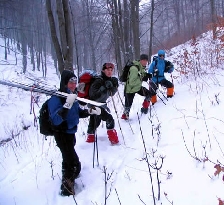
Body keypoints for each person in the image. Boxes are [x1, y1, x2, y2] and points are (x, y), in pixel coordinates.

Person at [48, 69, 101, 196]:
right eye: (70, 82)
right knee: (73, 163)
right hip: (61, 133)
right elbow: (55, 119)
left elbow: (77, 113)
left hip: (70, 132)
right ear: (64, 83)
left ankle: (67, 174)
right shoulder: (56, 98)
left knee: (68, 159)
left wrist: (89, 112)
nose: (73, 85)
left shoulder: (73, 96)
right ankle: (66, 190)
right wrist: (67, 105)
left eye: (75, 82)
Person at [86, 63, 119, 144]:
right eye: (108, 70)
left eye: (111, 70)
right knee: (109, 119)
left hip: (101, 104)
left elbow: (111, 94)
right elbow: (93, 95)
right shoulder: (98, 80)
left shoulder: (108, 80)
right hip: (93, 104)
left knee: (95, 121)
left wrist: (115, 86)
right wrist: (104, 87)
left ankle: (90, 138)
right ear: (103, 70)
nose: (109, 72)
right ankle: (113, 139)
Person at [121, 54, 156, 120]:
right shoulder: (134, 69)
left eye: (146, 60)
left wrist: (147, 75)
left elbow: (141, 74)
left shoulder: (141, 67)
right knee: (128, 106)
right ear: (140, 60)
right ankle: (125, 117)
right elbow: (131, 82)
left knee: (149, 94)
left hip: (137, 87)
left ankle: (144, 108)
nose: (145, 62)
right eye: (143, 60)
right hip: (129, 90)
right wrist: (142, 78)